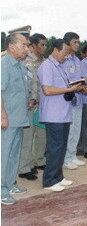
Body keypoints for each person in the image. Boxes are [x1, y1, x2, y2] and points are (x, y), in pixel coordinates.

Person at [38, 39, 83, 192]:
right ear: (55, 51)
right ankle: (49, 180)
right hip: (53, 114)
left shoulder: (60, 66)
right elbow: (48, 90)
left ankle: (58, 176)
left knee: (62, 147)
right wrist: (70, 90)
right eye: (64, 54)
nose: (66, 57)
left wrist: (73, 87)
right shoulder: (47, 66)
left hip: (63, 113)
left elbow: (63, 86)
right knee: (55, 148)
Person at [1, 33, 30, 205]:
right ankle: (1, 190)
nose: (27, 49)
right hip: (8, 119)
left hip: (19, 117)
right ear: (12, 47)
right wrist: (2, 116)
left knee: (13, 154)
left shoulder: (19, 64)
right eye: (24, 45)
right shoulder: (4, 65)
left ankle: (10, 184)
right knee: (3, 155)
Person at [18, 33, 48, 181]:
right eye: (42, 44)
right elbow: (31, 83)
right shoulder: (27, 61)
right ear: (34, 46)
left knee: (42, 136)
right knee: (28, 137)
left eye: (46, 45)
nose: (44, 47)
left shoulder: (46, 61)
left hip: (43, 103)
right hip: (31, 103)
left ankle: (39, 160)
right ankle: (25, 166)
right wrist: (33, 99)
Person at [62, 32, 86, 170]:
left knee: (76, 129)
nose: (77, 44)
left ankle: (72, 155)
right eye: (75, 42)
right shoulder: (63, 59)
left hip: (79, 99)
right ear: (67, 43)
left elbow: (79, 77)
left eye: (78, 42)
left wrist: (83, 85)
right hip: (68, 100)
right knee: (69, 130)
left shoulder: (77, 60)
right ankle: (65, 158)